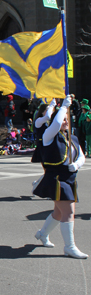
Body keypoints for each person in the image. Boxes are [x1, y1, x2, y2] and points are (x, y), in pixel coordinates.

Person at [33, 95, 87, 259]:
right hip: (55, 178)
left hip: (69, 178)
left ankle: (42, 234)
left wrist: (77, 164)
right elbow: (55, 124)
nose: (65, 121)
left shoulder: (72, 138)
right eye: (63, 119)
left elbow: (82, 156)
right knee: (69, 211)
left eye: (67, 119)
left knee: (58, 212)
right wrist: (63, 106)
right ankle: (69, 247)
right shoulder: (49, 136)